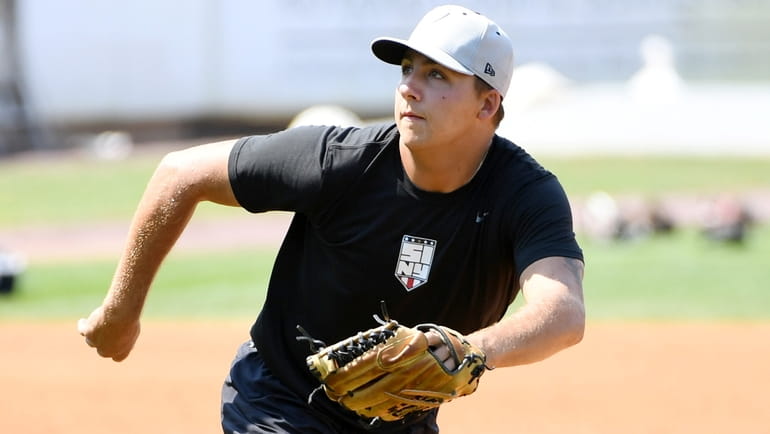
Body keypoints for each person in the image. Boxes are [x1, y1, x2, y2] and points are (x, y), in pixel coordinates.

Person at [78, 5, 585, 433]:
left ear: (488, 103)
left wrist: (471, 349)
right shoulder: (340, 160)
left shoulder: (526, 194)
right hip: (278, 400)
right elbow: (179, 174)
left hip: (399, 420)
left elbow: (562, 313)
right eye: (407, 68)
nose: (410, 87)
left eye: (437, 75)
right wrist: (121, 310)